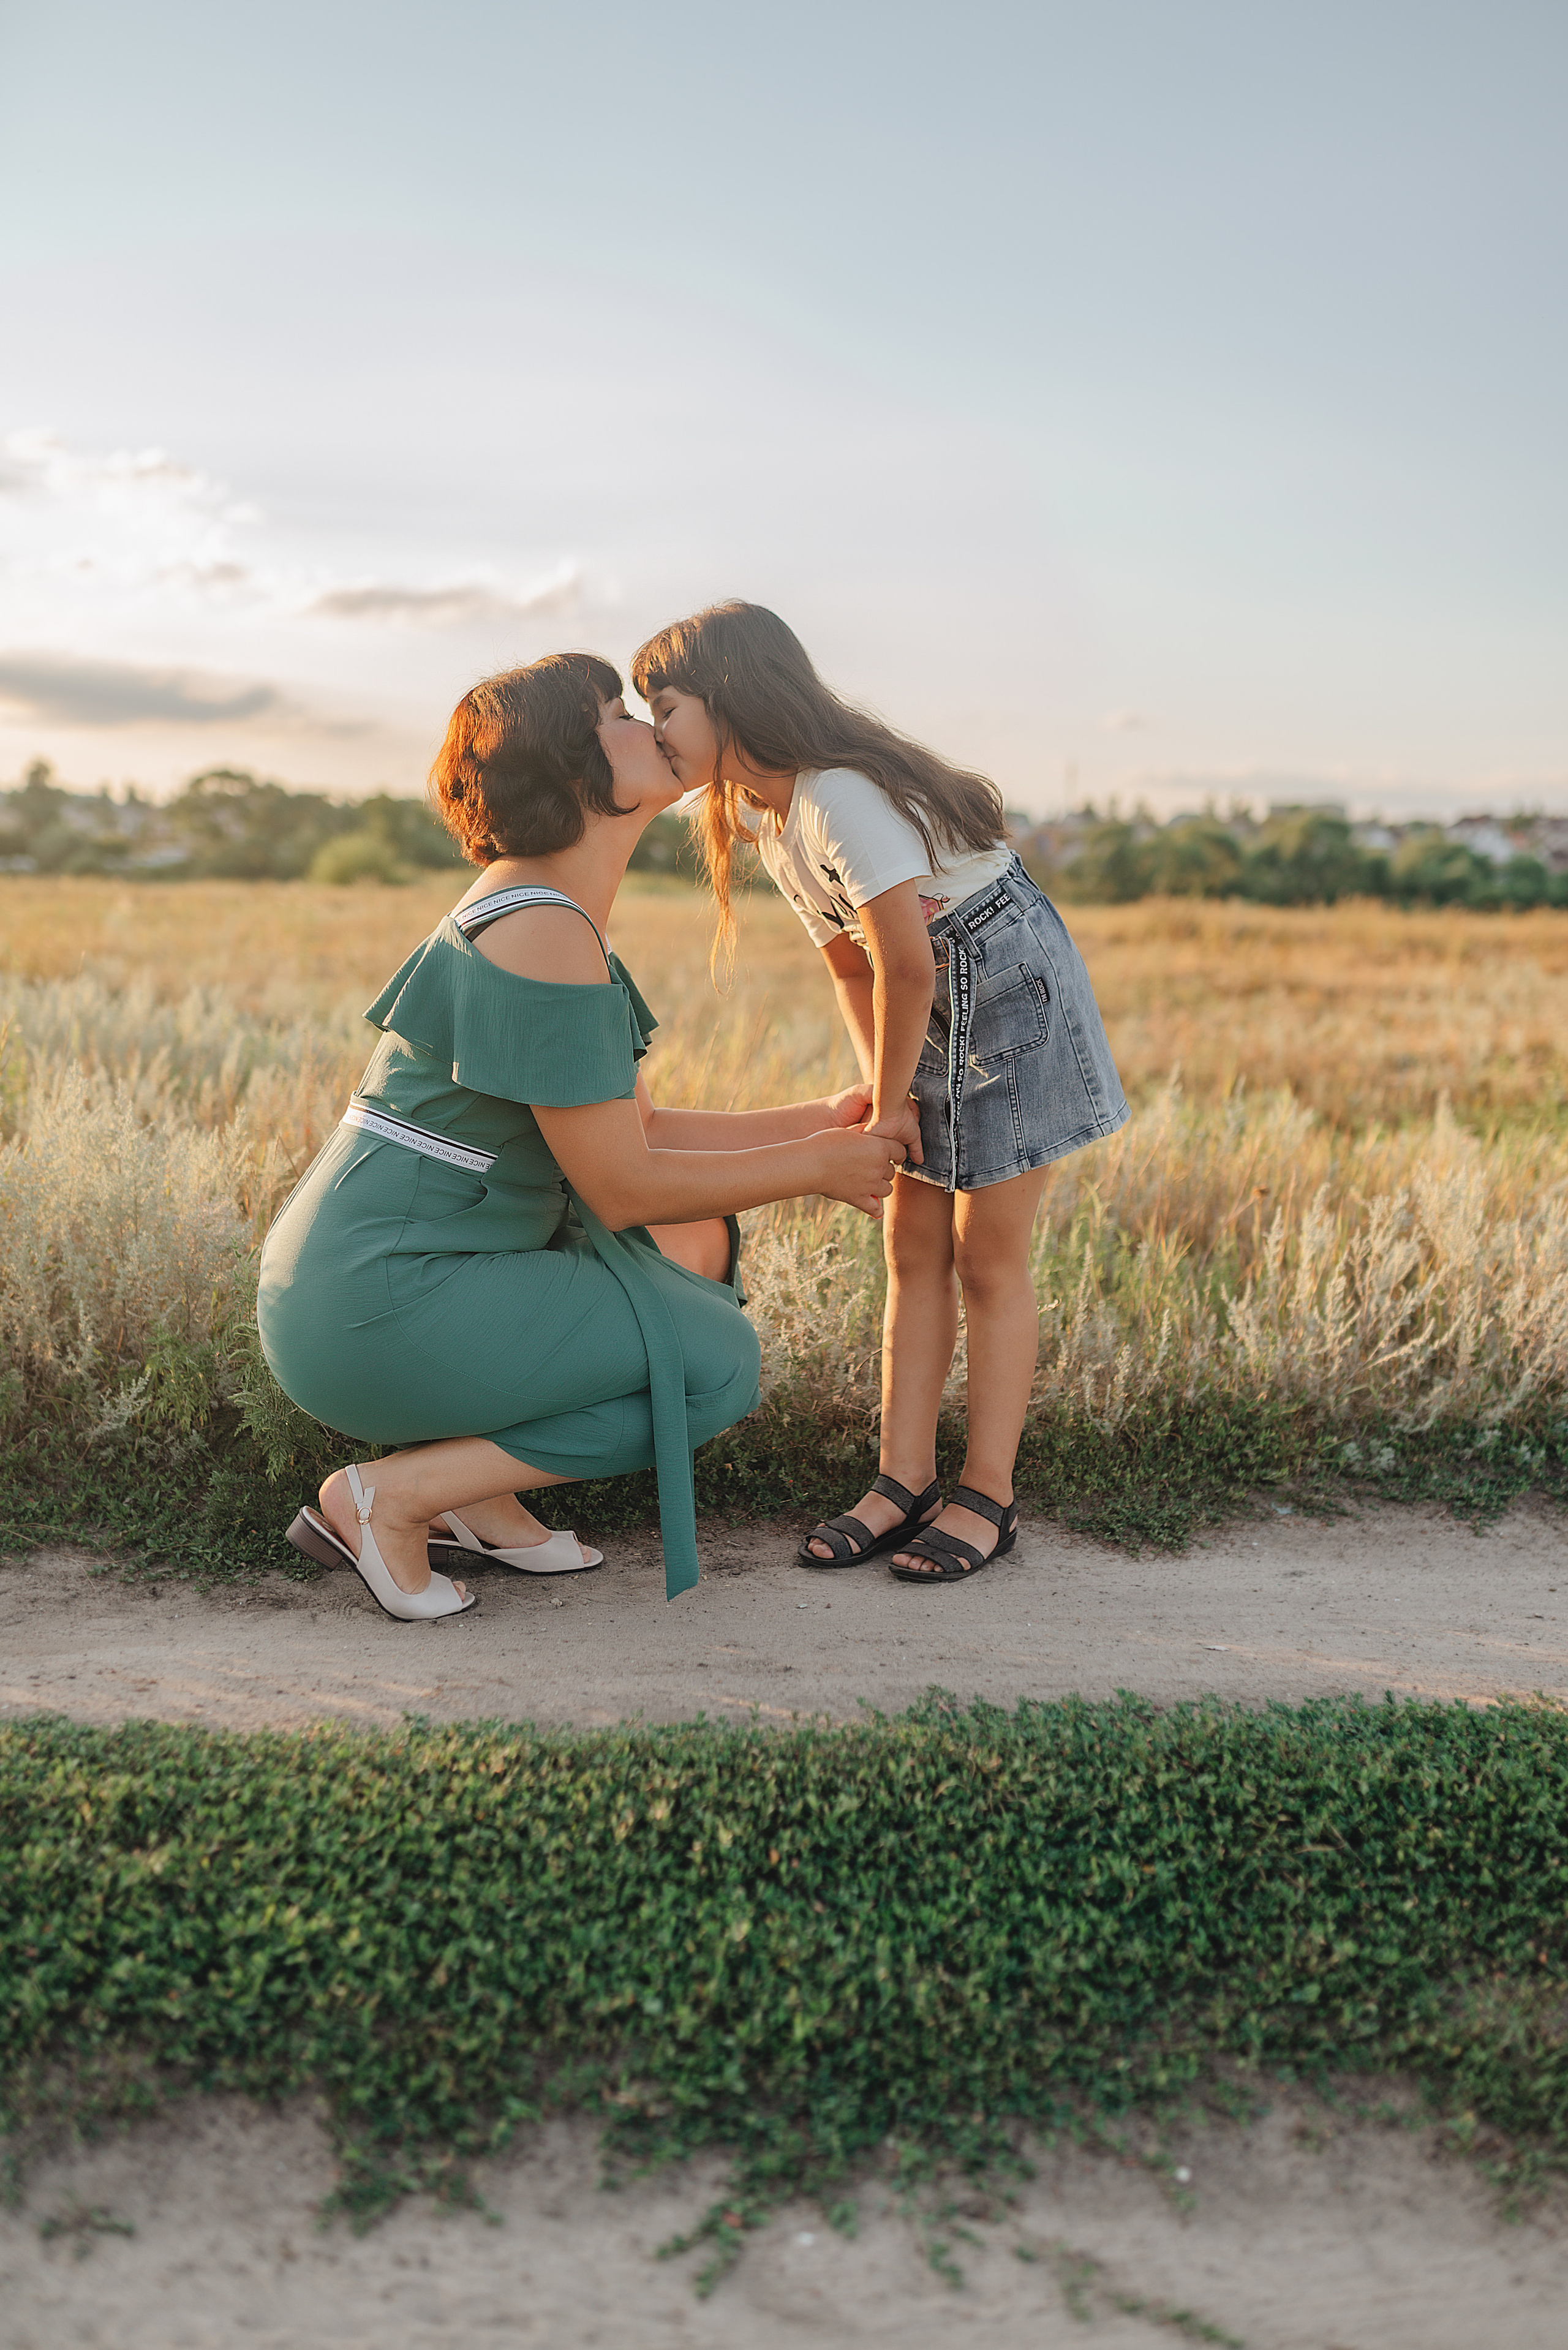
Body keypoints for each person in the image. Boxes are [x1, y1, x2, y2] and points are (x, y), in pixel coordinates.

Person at [256, 653, 903, 1619]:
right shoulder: (543, 930)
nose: (652, 726)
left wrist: (820, 1118)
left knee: (686, 1270)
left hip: (370, 1279)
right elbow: (625, 1187)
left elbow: (640, 1129)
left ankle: (474, 1494)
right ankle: (395, 1496)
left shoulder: (554, 915)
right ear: (570, 764)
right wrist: (818, 1167)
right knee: (715, 1363)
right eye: (619, 712)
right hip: (379, 1298)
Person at [631, 603, 1129, 1583]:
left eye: (667, 705)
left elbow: (904, 962)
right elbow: (853, 969)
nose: (657, 729)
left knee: (987, 1256)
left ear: (729, 696)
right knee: (910, 1245)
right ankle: (904, 1478)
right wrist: (880, 1098)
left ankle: (988, 1494)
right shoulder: (773, 824)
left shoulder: (837, 796)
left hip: (1006, 988)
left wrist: (894, 1103)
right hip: (923, 1005)